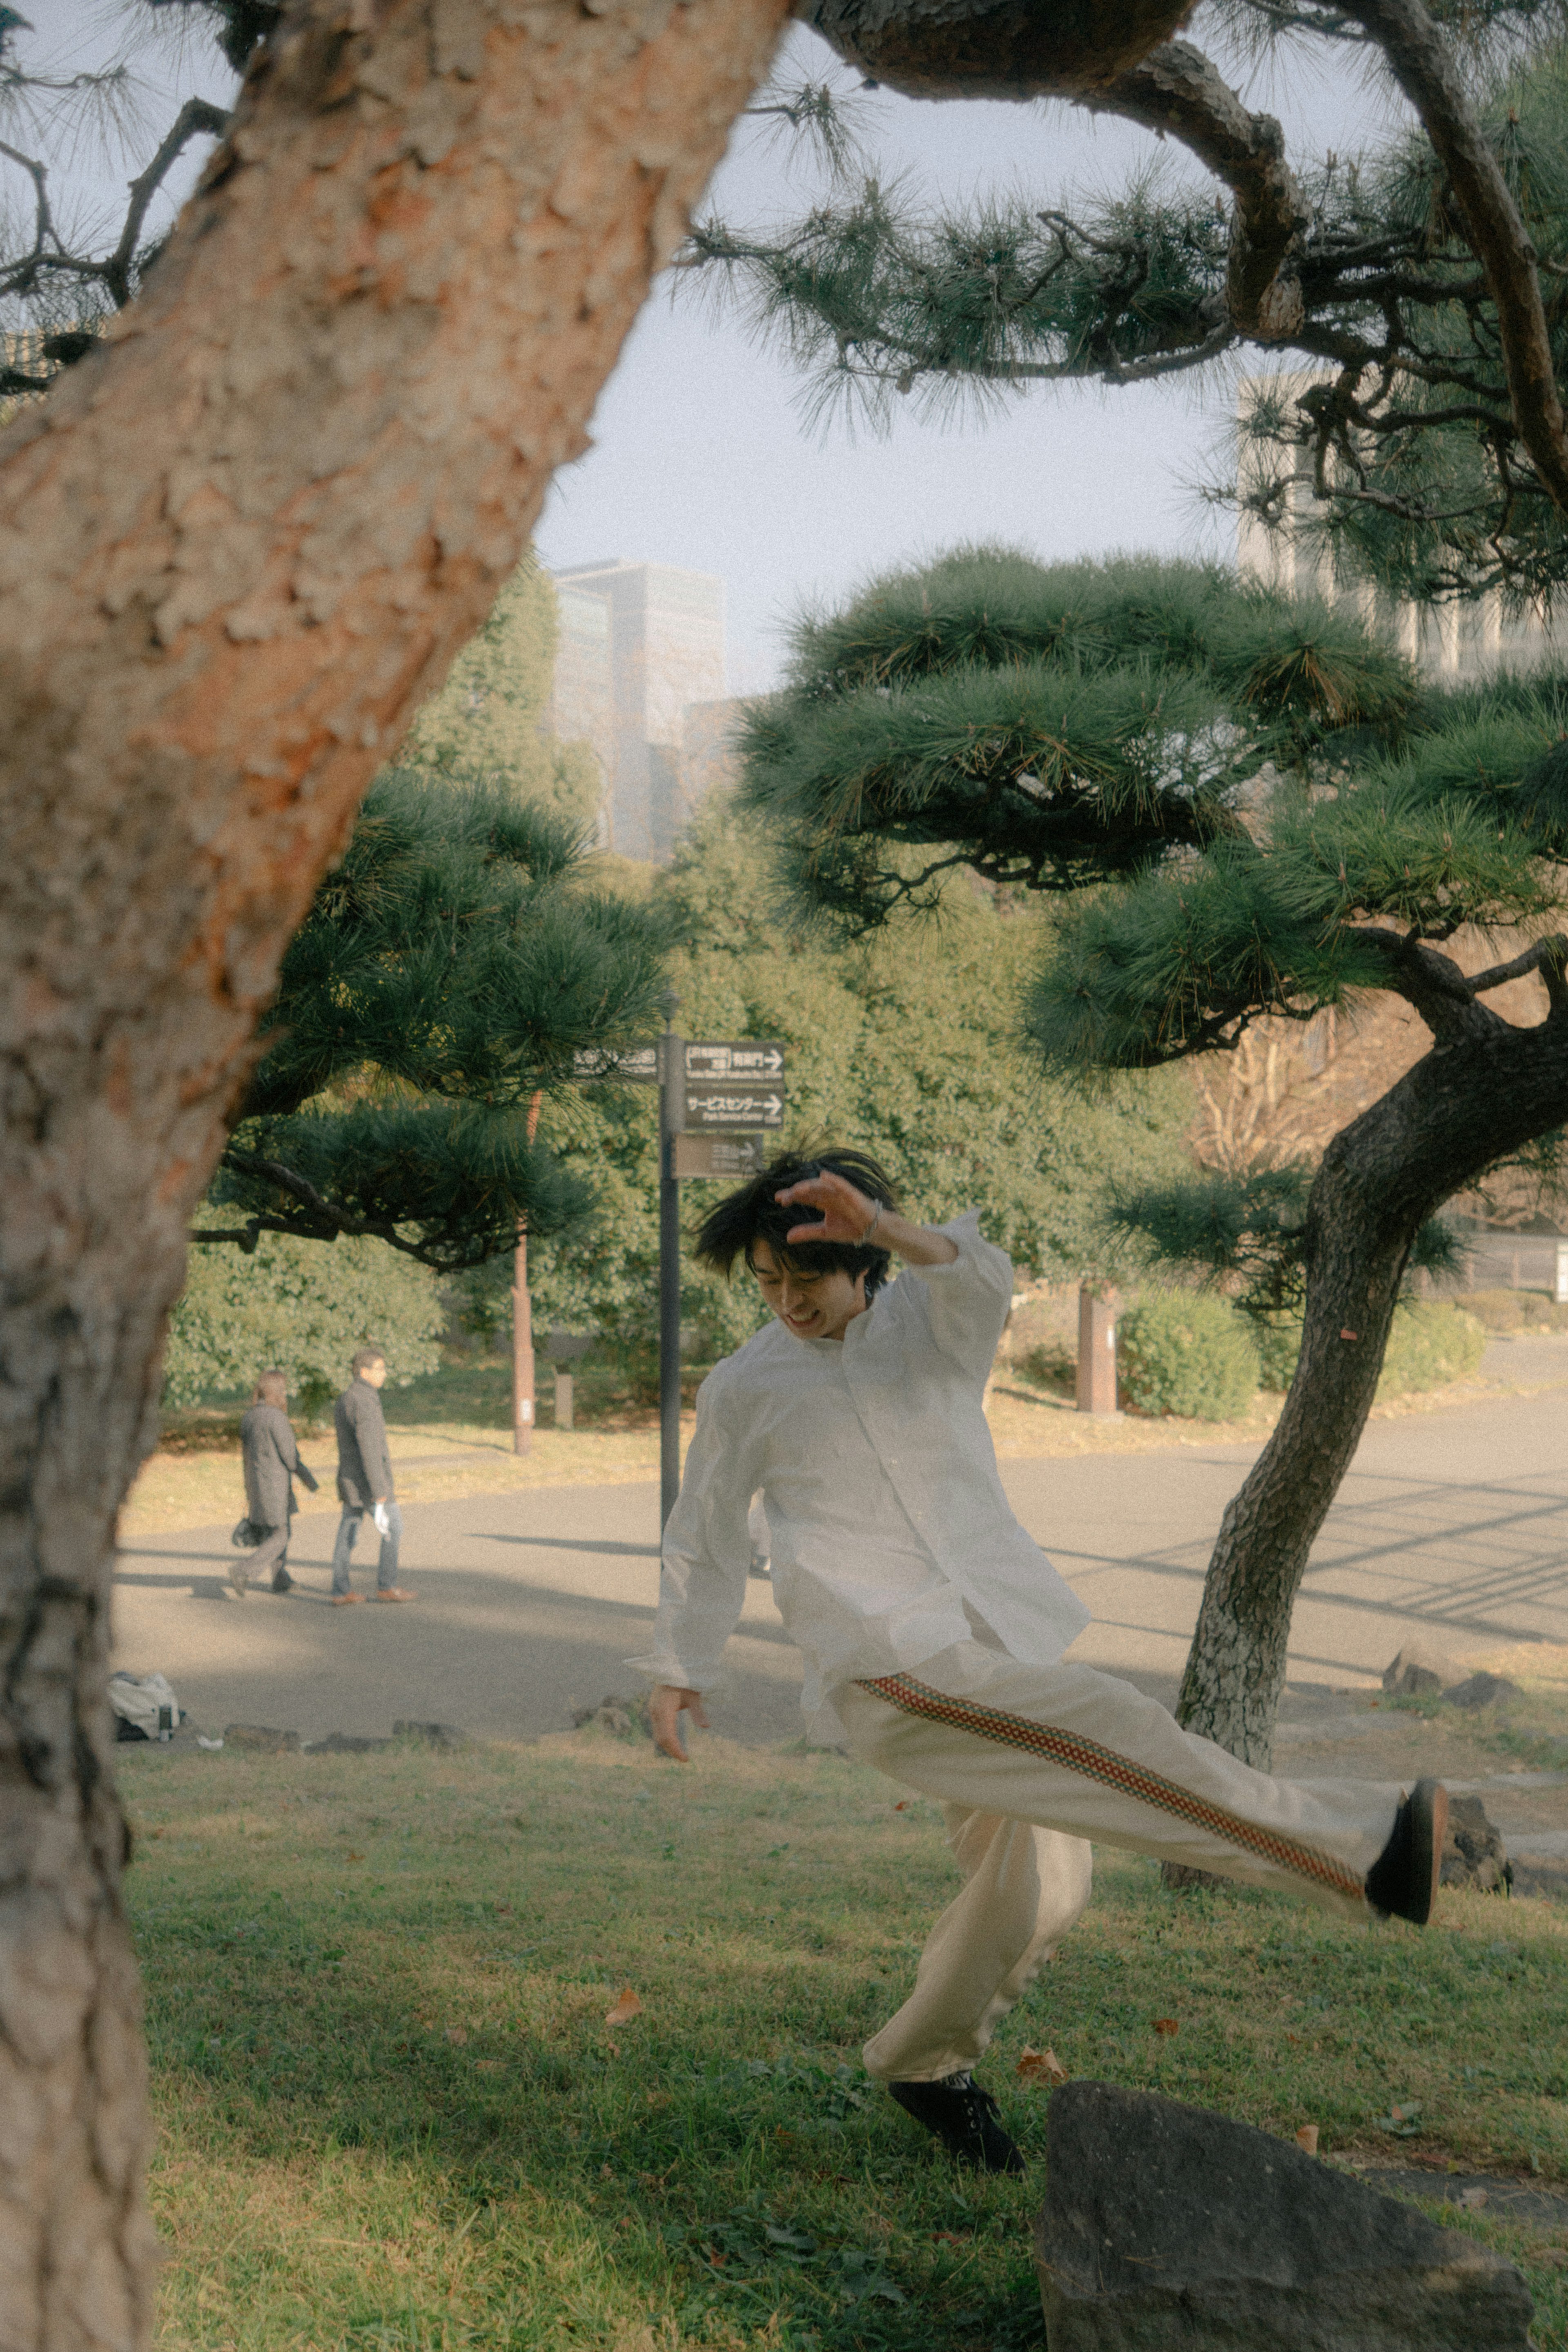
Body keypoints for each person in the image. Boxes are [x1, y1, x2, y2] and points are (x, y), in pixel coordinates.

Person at [630, 1148, 1448, 2176]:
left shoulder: (927, 1332)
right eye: (768, 1283)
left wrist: (882, 1223)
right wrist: (679, 1664)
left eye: (808, 1278)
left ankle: (920, 2061)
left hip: (982, 1637)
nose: (788, 1301)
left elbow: (979, 1272)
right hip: (890, 1659)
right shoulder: (747, 1384)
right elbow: (702, 1529)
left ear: (861, 1269)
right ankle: (1363, 1853)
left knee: (1044, 1876)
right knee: (1117, 1728)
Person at [331, 1347, 412, 1605]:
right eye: (380, 1369)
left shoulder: (350, 1397)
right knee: (394, 1528)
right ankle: (386, 1587)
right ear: (364, 1372)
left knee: (348, 1533)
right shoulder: (364, 1401)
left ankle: (341, 1591)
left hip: (351, 1478)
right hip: (368, 1482)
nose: (384, 1375)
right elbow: (370, 1450)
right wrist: (380, 1493)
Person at [235, 1371, 318, 1597]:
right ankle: (244, 1570)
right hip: (275, 1486)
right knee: (281, 1534)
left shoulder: (250, 1417)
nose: (286, 1393)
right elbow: (291, 1458)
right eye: (284, 1389)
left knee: (278, 1530)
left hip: (255, 1484)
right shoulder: (276, 1418)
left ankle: (281, 1579)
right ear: (277, 1392)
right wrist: (310, 1481)